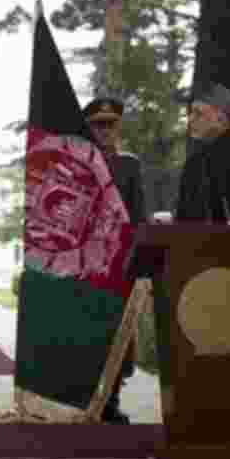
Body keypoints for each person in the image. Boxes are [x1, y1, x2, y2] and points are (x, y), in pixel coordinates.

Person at [83, 96, 147, 425]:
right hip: (86, 262)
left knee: (119, 331)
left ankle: (112, 399)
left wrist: (139, 258)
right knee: (89, 329)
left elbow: (139, 216)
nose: (105, 131)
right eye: (98, 125)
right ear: (89, 128)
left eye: (111, 125)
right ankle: (83, 398)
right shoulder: (78, 163)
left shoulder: (130, 165)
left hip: (121, 261)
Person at [174, 84, 230, 224]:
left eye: (198, 113)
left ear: (221, 120)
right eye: (190, 113)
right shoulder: (194, 162)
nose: (190, 120)